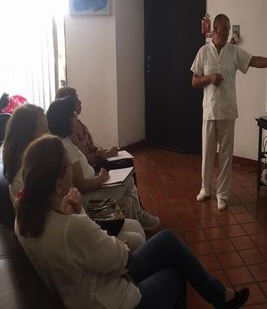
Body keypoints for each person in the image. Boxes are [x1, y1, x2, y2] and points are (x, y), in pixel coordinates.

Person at [15, 135, 250, 309]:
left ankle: (220, 296)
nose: (71, 173)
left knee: (167, 240)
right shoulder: (71, 227)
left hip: (85, 289)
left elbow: (82, 251)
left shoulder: (24, 220)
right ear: (57, 185)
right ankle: (219, 296)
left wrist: (72, 213)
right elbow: (119, 260)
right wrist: (121, 246)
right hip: (111, 300)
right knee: (175, 275)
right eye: (68, 167)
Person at [3, 104, 145, 248]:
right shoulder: (26, 176)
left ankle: (140, 220)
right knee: (137, 237)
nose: (50, 134)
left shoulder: (34, 165)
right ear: (28, 135)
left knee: (135, 226)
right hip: (78, 231)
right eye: (45, 130)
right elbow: (59, 223)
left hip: (79, 220)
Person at [191, 14, 267, 211]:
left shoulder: (234, 51)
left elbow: (253, 60)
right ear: (216, 30)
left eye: (229, 28)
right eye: (225, 29)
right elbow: (194, 81)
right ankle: (205, 189)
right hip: (210, 111)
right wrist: (209, 78)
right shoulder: (203, 52)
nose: (228, 32)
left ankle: (223, 195)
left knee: (226, 156)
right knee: (208, 153)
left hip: (228, 110)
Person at [46, 96, 160, 231]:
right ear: (65, 119)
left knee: (128, 201)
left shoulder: (65, 142)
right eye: (73, 114)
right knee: (128, 179)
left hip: (94, 185)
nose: (76, 118)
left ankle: (136, 224)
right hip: (89, 197)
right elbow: (82, 186)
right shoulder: (66, 147)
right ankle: (140, 218)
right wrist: (101, 178)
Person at [55, 86, 118, 169]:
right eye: (76, 100)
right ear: (68, 104)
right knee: (126, 164)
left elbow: (91, 146)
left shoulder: (77, 122)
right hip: (90, 169)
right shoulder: (69, 129)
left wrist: (100, 149)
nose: (80, 102)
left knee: (126, 162)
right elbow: (85, 159)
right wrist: (108, 154)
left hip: (95, 163)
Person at [2, 104, 48, 205]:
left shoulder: (36, 162)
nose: (49, 136)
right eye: (45, 131)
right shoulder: (22, 180)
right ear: (28, 137)